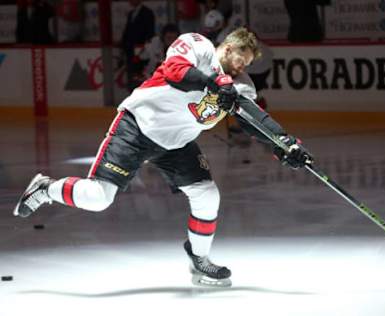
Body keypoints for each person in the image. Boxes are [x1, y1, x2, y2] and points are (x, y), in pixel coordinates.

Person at [13, 27, 313, 287]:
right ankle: (46, 188)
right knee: (98, 198)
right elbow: (174, 72)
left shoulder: (241, 84)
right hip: (139, 126)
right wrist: (212, 82)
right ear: (229, 47)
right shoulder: (197, 45)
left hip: (176, 143)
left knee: (208, 195)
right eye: (240, 60)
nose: (240, 68)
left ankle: (199, 259)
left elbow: (252, 118)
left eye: (245, 65)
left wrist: (285, 144)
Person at [121, 0, 155, 92]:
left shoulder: (147, 13)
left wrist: (144, 49)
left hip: (142, 53)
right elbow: (127, 32)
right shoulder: (131, 13)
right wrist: (124, 46)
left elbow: (150, 33)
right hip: (130, 52)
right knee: (131, 76)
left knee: (140, 77)